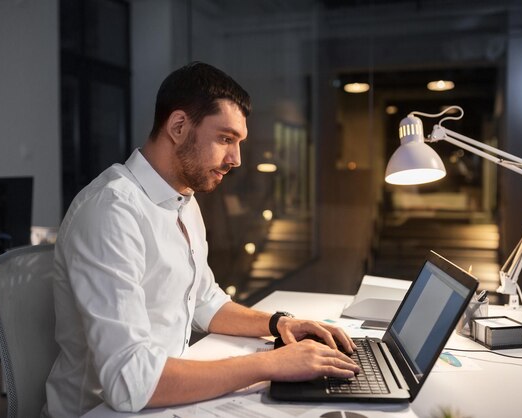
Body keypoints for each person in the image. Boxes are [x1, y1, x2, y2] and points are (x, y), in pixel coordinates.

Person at [43, 62, 359, 417]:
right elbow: (129, 380)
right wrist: (271, 365)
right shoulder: (111, 210)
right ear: (178, 126)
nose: (236, 159)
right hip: (103, 409)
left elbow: (204, 300)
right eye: (225, 139)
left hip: (163, 397)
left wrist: (279, 324)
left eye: (238, 143)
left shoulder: (183, 201)